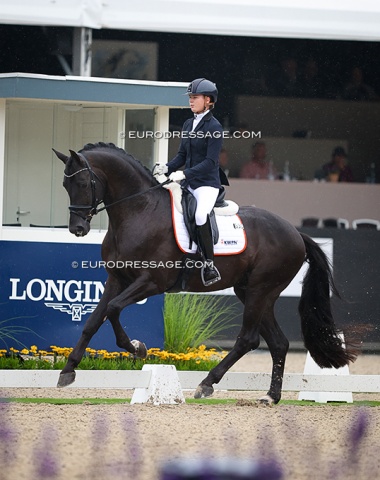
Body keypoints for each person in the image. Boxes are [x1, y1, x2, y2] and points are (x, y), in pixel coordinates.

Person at [154, 78, 228, 286]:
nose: (191, 101)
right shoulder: (188, 124)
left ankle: (209, 265)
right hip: (188, 183)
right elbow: (181, 156)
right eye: (190, 97)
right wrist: (167, 167)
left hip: (206, 184)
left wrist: (185, 174)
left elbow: (211, 162)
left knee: (200, 215)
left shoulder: (214, 126)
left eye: (195, 97)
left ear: (208, 100)